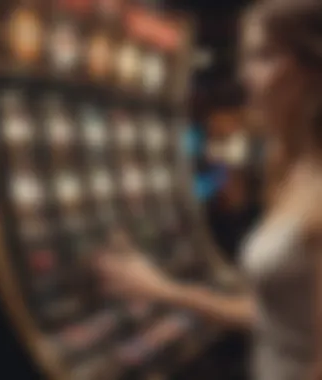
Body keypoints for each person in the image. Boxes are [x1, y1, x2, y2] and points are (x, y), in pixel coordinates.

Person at [95, 0, 322, 379]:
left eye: (263, 56)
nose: (245, 75)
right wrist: (163, 289)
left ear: (312, 67)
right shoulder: (291, 168)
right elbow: (272, 316)